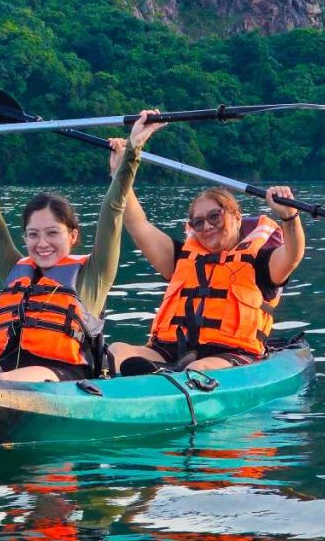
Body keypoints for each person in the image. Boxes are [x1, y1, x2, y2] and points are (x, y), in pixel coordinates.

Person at [0, 111, 163, 382]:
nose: (42, 244)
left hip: (65, 376)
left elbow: (113, 209)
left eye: (52, 233)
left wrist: (133, 150)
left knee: (3, 381)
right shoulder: (14, 268)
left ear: (73, 236)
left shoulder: (94, 274)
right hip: (5, 373)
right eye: (33, 234)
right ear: (25, 237)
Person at [106, 140, 305, 374]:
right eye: (198, 222)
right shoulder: (181, 257)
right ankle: (143, 381)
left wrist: (290, 217)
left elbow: (292, 256)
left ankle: (163, 382)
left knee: (199, 368)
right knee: (117, 351)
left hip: (230, 355)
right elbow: (137, 224)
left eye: (215, 216)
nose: (207, 226)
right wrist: (121, 172)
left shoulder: (260, 262)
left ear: (237, 217)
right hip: (169, 352)